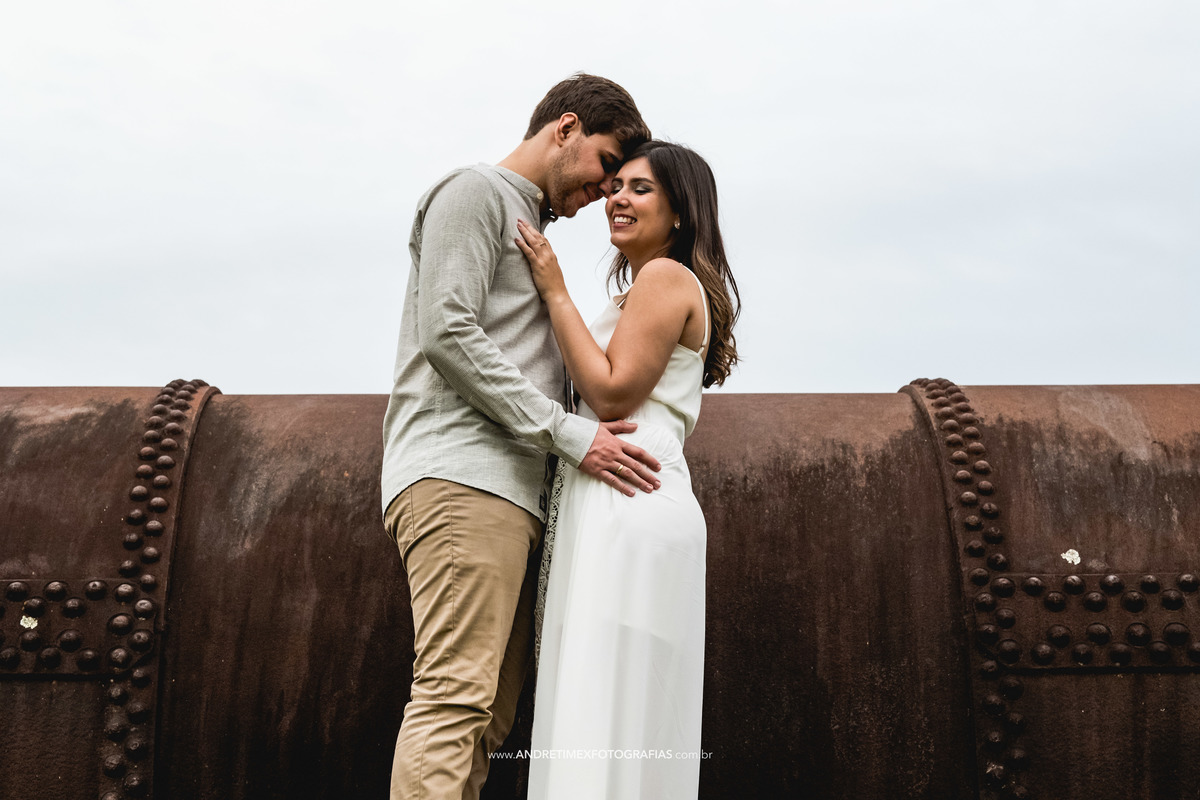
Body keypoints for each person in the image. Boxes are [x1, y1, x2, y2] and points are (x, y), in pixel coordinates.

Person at [380, 75, 661, 800]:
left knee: (488, 715)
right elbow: (446, 330)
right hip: (464, 474)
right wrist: (568, 433)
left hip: (510, 489)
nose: (605, 192)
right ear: (565, 129)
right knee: (454, 698)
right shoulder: (476, 191)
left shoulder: (527, 223)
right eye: (604, 166)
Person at [515, 140, 741, 799]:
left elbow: (613, 392)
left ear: (680, 214)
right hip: (618, 496)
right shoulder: (647, 288)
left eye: (640, 189)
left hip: (629, 501)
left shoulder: (665, 279)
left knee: (602, 705)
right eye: (615, 186)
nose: (617, 197)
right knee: (613, 712)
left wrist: (553, 288)